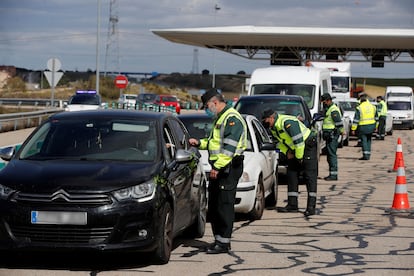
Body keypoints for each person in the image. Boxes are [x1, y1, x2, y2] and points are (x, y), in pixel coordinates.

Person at [189, 88, 247, 254]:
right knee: (215, 205)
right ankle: (218, 240)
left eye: (207, 106)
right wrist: (199, 143)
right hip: (221, 167)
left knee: (224, 205)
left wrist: (217, 167)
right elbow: (214, 143)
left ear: (215, 102)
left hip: (227, 168)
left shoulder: (232, 119)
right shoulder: (220, 118)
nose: (207, 109)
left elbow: (229, 149)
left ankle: (223, 242)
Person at [261, 109, 318, 217]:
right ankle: (292, 205)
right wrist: (287, 152)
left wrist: (299, 158)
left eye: (266, 120)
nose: (265, 122)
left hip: (307, 145)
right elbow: (279, 143)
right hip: (295, 150)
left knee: (309, 176)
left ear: (272, 118)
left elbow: (299, 142)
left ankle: (311, 207)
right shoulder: (274, 128)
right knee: (292, 174)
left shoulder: (287, 123)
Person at [320, 93, 344, 181]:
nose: (323, 104)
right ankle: (332, 173)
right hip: (329, 135)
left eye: (324, 102)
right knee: (329, 154)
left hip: (332, 134)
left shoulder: (333, 110)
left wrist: (342, 131)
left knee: (332, 154)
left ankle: (333, 175)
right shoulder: (328, 109)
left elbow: (339, 123)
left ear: (328, 100)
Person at [351, 93, 378, 160]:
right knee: (369, 140)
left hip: (363, 126)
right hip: (372, 126)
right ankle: (368, 154)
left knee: (364, 140)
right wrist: (376, 126)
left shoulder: (359, 108)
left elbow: (356, 120)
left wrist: (353, 129)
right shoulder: (373, 107)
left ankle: (365, 155)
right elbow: (376, 118)